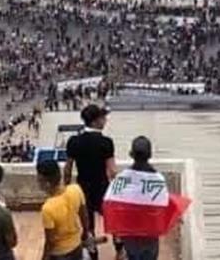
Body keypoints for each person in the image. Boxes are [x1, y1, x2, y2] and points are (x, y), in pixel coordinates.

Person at [63, 104, 118, 260]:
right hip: (102, 187)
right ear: (95, 121)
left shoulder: (74, 141)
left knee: (87, 225)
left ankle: (93, 254)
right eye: (103, 117)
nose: (105, 120)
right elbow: (112, 171)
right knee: (113, 219)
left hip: (82, 189)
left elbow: (67, 170)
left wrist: (66, 189)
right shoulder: (106, 142)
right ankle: (119, 249)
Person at [38, 159, 94, 260]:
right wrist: (85, 233)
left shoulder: (47, 208)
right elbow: (85, 217)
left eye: (39, 180)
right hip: (77, 247)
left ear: (46, 183)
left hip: (59, 253)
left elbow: (50, 241)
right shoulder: (76, 189)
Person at [119, 137, 160, 260]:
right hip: (150, 230)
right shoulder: (157, 179)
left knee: (132, 255)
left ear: (131, 154)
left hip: (130, 230)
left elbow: (115, 204)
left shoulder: (123, 178)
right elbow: (162, 205)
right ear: (150, 154)